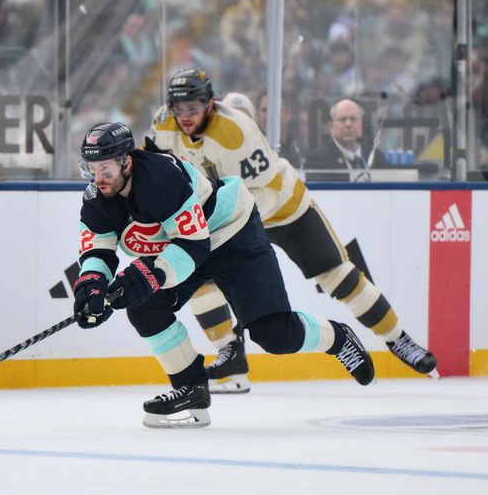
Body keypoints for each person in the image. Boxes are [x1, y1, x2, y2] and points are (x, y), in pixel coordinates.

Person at [146, 68, 436, 394]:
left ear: (210, 103)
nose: (185, 116)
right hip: (226, 217)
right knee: (193, 276)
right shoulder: (162, 123)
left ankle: (397, 339)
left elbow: (251, 192)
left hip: (280, 208)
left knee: (337, 276)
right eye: (179, 109)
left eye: (194, 107)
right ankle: (231, 356)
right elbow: (152, 166)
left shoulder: (235, 134)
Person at [73, 121, 374, 428]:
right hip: (184, 247)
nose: (98, 179)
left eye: (106, 170)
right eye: (90, 169)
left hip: (231, 235)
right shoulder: (97, 198)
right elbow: (98, 250)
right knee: (144, 307)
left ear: (127, 161)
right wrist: (91, 287)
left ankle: (339, 338)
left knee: (274, 334)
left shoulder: (159, 178)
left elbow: (194, 244)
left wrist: (151, 275)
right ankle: (191, 388)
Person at [305, 98, 389, 171]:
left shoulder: (377, 157)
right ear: (331, 126)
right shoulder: (317, 160)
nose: (348, 124)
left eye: (353, 119)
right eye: (342, 119)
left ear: (362, 124)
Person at [255, 90, 305, 169]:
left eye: (276, 110)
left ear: (287, 114)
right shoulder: (250, 150)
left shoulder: (299, 151)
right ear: (257, 115)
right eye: (265, 110)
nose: (270, 115)